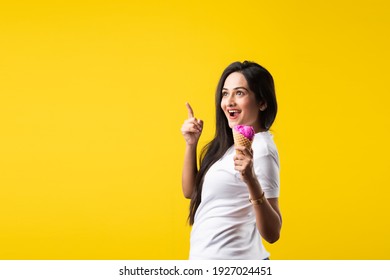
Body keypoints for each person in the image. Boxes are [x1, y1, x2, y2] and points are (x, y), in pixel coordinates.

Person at [180, 61, 282, 260]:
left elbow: (273, 233)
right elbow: (190, 192)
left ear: (262, 102)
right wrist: (191, 144)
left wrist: (251, 179)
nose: (229, 102)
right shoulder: (229, 146)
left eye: (240, 93)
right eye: (225, 93)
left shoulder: (262, 149)